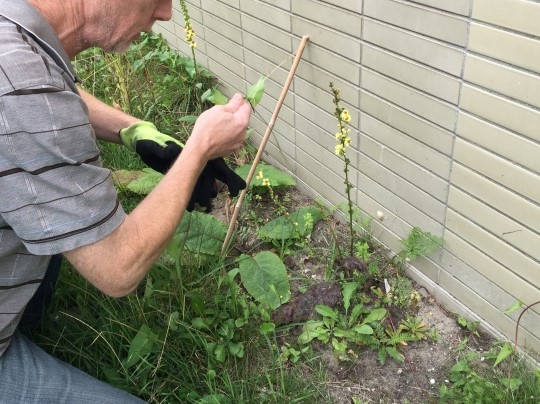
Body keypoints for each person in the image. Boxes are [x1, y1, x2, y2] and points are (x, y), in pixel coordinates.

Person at [0, 0, 252, 402]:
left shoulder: (14, 31)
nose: (166, 13)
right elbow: (117, 268)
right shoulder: (20, 88)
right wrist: (198, 149)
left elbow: (49, 91)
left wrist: (135, 129)